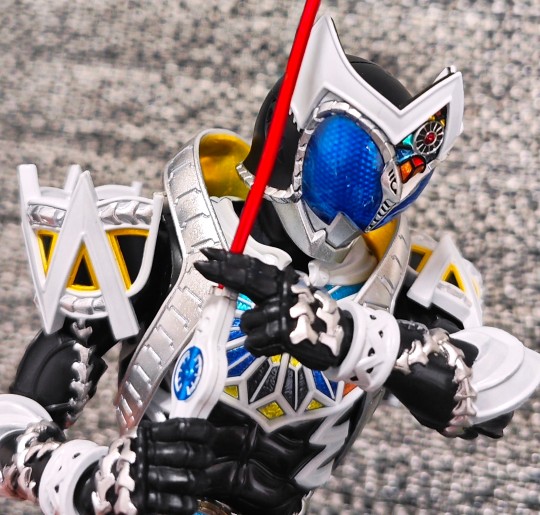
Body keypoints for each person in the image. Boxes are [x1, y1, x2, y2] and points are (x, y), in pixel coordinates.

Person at [0, 16, 538, 515]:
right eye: (356, 166)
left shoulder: (400, 293)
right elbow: (11, 430)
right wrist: (93, 480)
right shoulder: (159, 243)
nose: (374, 199)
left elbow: (496, 394)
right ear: (294, 137)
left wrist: (350, 337)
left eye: (401, 176)